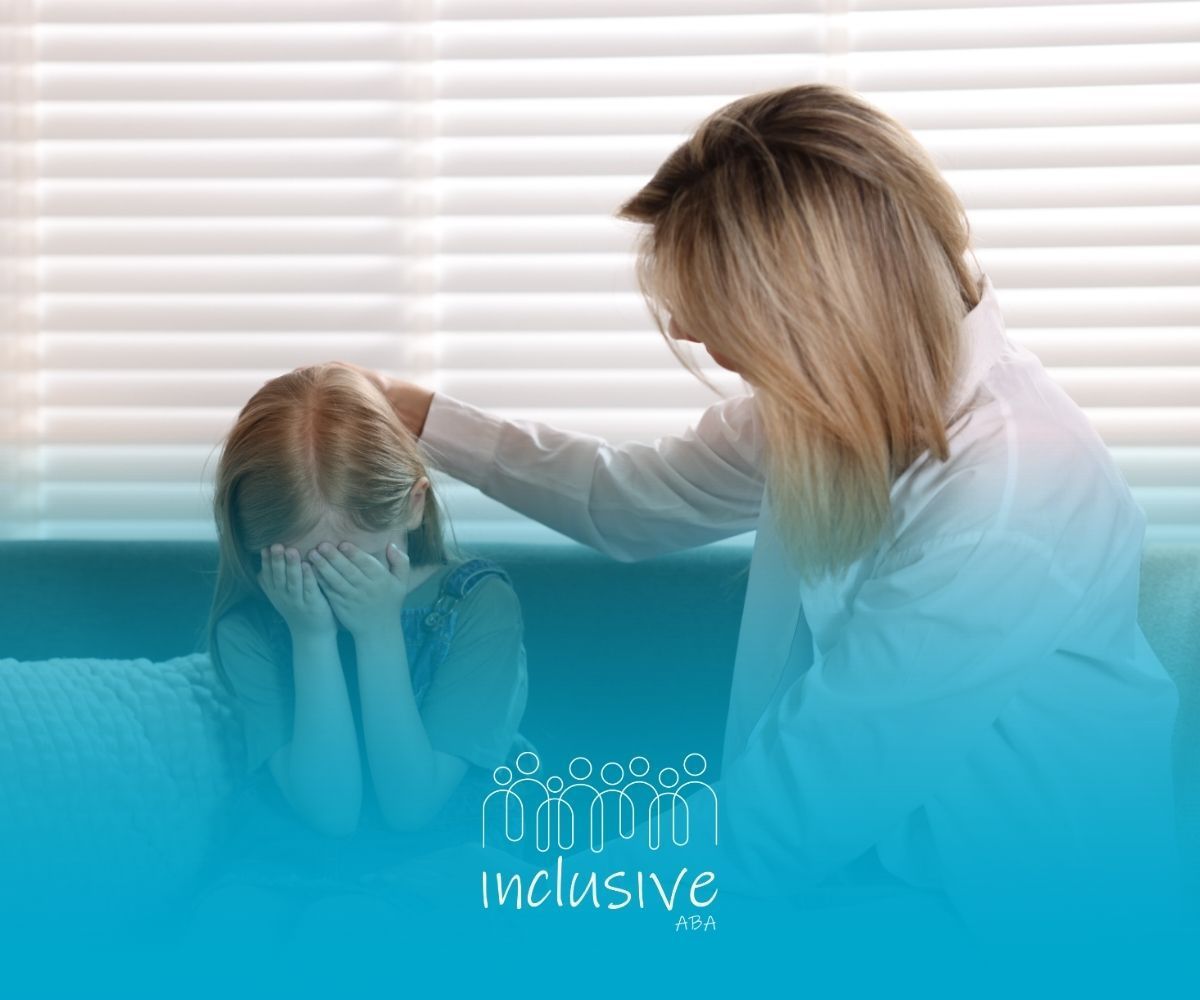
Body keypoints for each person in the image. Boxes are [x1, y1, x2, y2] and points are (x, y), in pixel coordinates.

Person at [356, 83, 1183, 935]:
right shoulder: (842, 407)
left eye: (712, 305)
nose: (684, 330)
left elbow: (800, 802)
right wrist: (413, 414)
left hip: (1016, 921)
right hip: (868, 878)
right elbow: (627, 501)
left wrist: (537, 899)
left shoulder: (1007, 493)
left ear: (816, 317)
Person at [192, 361, 535, 945]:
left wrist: (377, 635)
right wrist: (313, 638)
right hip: (294, 856)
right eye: (305, 566)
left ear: (412, 506)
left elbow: (412, 805)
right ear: (254, 548)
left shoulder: (478, 605)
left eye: (353, 562)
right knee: (223, 926)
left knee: (347, 927)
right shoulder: (250, 628)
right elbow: (329, 812)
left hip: (453, 854)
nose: (332, 586)